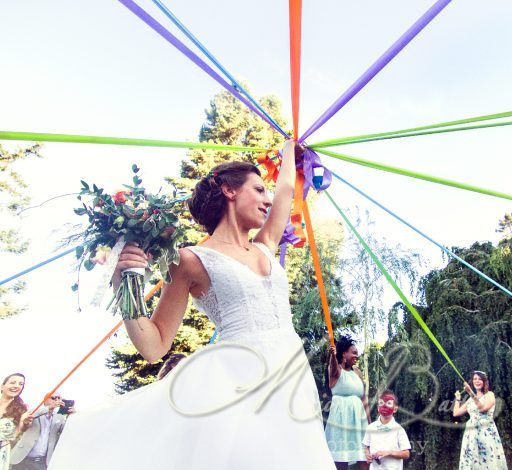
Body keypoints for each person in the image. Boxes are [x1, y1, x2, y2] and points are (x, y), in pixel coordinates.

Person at [49, 140, 335, 469]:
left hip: (290, 375)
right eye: (258, 189)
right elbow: (154, 346)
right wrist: (124, 283)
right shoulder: (189, 260)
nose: (267, 199)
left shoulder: (265, 245)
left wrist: (289, 150)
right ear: (229, 191)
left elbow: (286, 191)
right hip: (235, 379)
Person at [325, 335, 370, 469]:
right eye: (354, 353)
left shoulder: (357, 372)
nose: (357, 356)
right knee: (341, 458)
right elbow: (333, 368)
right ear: (344, 354)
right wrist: (333, 356)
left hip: (359, 421)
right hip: (341, 421)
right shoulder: (335, 370)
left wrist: (369, 424)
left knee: (364, 457)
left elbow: (364, 399)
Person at [453, 371, 507, 470]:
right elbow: (456, 413)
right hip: (471, 433)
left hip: (485, 431)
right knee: (473, 460)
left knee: (487, 459)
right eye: (475, 379)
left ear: (484, 381)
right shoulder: (470, 400)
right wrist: (458, 399)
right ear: (472, 381)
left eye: (479, 379)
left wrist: (470, 392)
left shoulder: (489, 395)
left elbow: (483, 408)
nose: (477, 381)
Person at [11, 394, 72, 470]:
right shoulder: (35, 411)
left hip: (41, 463)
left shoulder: (59, 417)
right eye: (53, 398)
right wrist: (49, 408)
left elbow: (66, 431)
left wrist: (72, 416)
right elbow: (29, 416)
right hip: (22, 459)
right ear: (45, 400)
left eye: (59, 398)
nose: (56, 400)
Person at [362, 390, 411, 469]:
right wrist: (367, 455)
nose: (384, 406)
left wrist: (389, 452)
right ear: (378, 408)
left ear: (395, 409)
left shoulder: (399, 430)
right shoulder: (370, 428)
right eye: (381, 403)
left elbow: (406, 454)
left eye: (388, 403)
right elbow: (366, 447)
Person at [0, 374, 32, 470]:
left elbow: (15, 437)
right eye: (13, 382)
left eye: (20, 384)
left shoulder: (22, 410)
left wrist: (23, 423)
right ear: (2, 386)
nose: (17, 386)